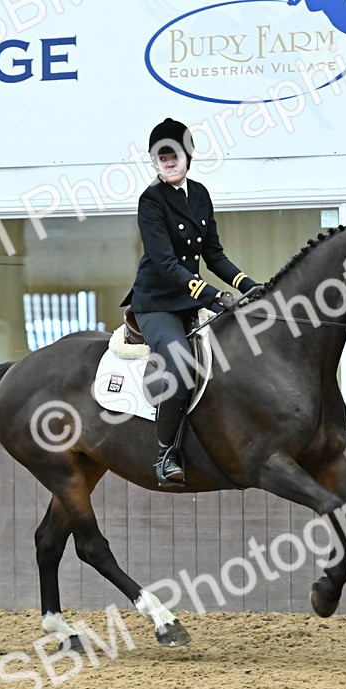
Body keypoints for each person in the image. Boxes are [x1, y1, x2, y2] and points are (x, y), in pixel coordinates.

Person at [121, 118, 259, 486]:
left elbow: (214, 255)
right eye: (160, 157)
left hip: (188, 299)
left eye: (173, 156)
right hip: (157, 303)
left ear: (188, 156)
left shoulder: (200, 195)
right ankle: (166, 454)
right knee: (181, 366)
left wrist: (249, 286)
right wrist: (213, 296)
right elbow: (166, 264)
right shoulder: (150, 201)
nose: (167, 162)